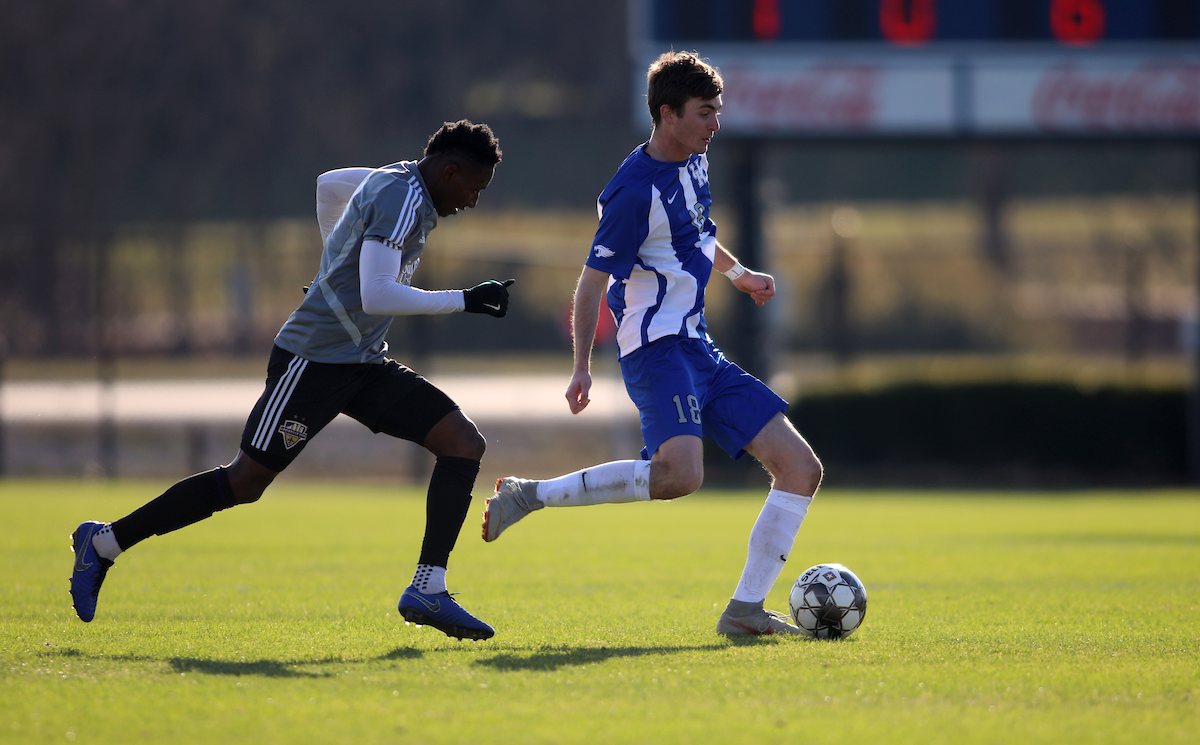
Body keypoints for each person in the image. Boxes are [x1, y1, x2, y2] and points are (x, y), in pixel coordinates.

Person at [70, 120, 511, 641]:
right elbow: (377, 295)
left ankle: (427, 588)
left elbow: (330, 185)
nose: (472, 202)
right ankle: (103, 544)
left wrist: (330, 263)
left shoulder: (399, 181)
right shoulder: (401, 198)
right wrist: (464, 299)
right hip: (312, 361)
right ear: (450, 170)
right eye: (473, 189)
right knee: (244, 482)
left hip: (363, 362)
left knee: (462, 443)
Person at [481, 52, 823, 636]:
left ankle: (744, 611)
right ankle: (529, 495)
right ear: (668, 115)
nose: (715, 124)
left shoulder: (695, 160)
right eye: (704, 113)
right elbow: (590, 283)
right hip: (654, 351)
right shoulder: (632, 192)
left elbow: (699, 235)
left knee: (800, 468)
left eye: (717, 112)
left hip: (698, 348)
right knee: (679, 476)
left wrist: (740, 276)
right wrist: (582, 365)